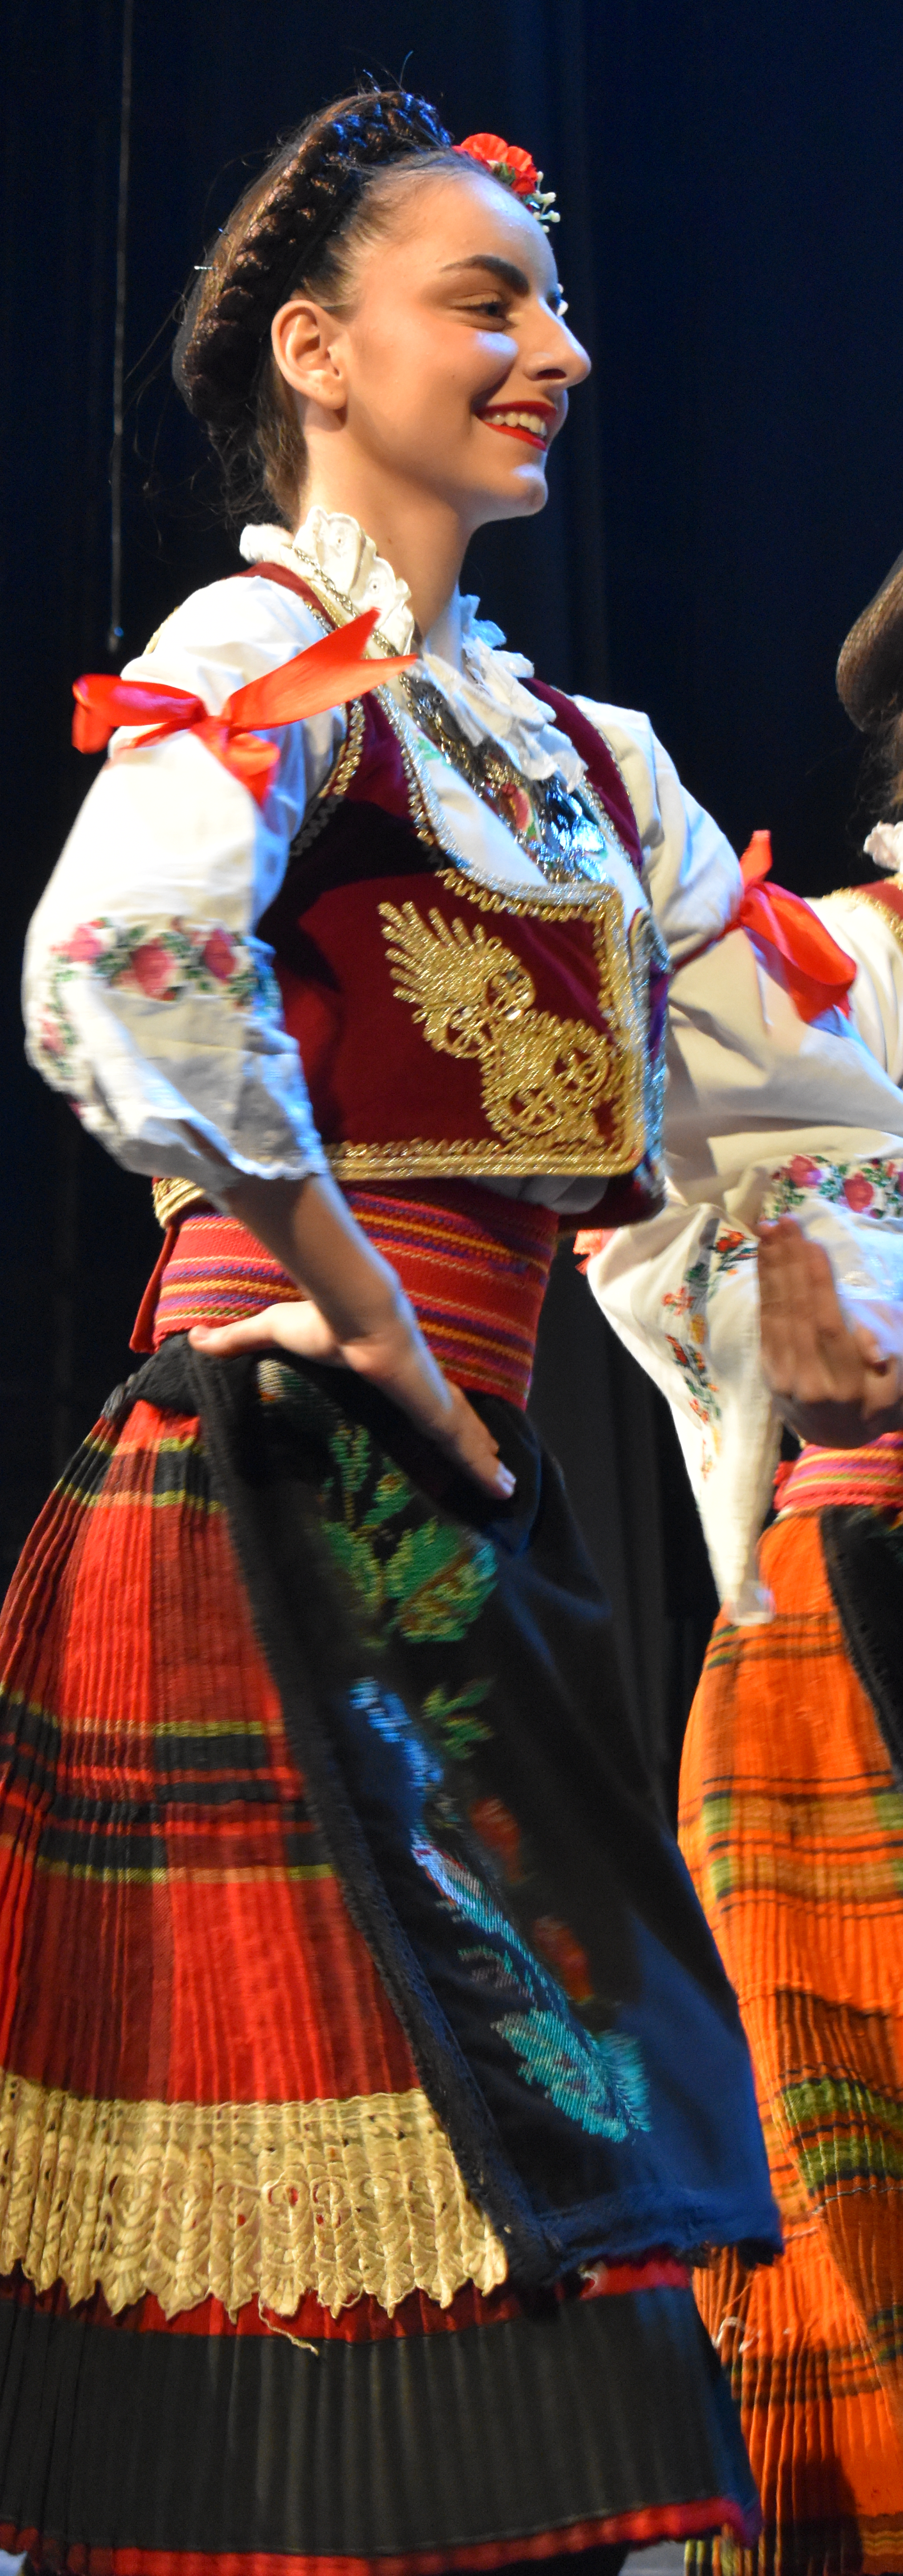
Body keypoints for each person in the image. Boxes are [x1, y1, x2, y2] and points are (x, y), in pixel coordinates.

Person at [0, 91, 777, 2576]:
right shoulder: (271, 660)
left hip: (451, 1499)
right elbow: (125, 959)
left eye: (554, 304)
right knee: (443, 2147)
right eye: (489, 299)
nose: (552, 349)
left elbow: (795, 1131)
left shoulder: (588, 777)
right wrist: (354, 1296)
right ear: (317, 351)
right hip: (268, 1476)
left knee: (536, 2153)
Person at [587, 547, 903, 2573]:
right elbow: (635, 1225)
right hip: (850, 1636)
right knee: (847, 2255)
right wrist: (803, 1316)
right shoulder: (812, 963)